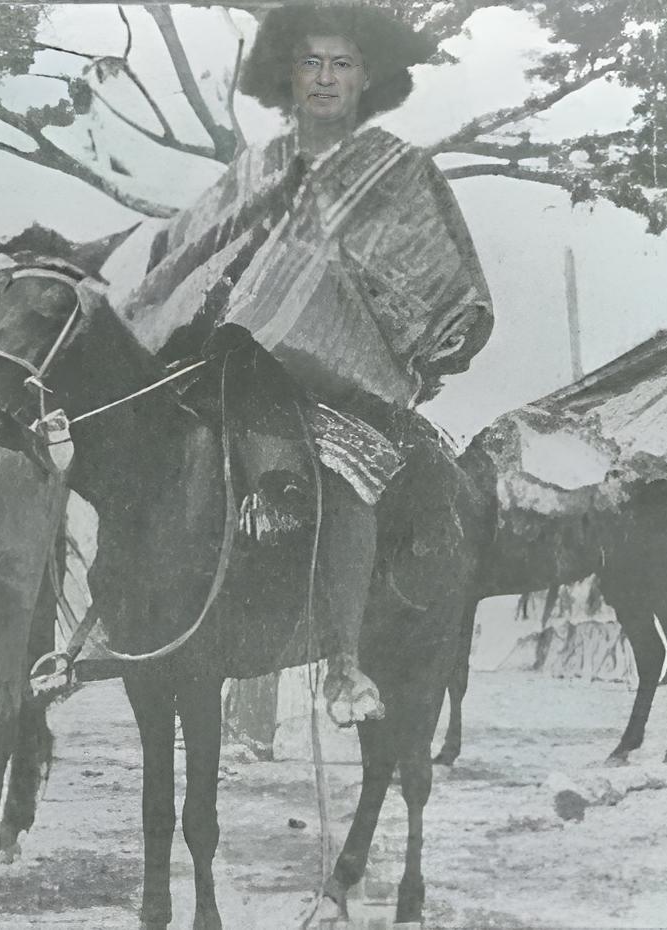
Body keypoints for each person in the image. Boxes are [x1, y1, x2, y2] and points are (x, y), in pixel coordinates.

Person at [96, 3, 494, 725]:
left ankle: (343, 664)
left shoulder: (398, 171)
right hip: (229, 365)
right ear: (289, 75)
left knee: (348, 476)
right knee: (133, 450)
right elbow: (186, 246)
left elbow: (443, 281)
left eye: (342, 64)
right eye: (310, 62)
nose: (325, 78)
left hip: (338, 378)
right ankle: (109, 614)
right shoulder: (257, 166)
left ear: (367, 79)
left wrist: (342, 304)